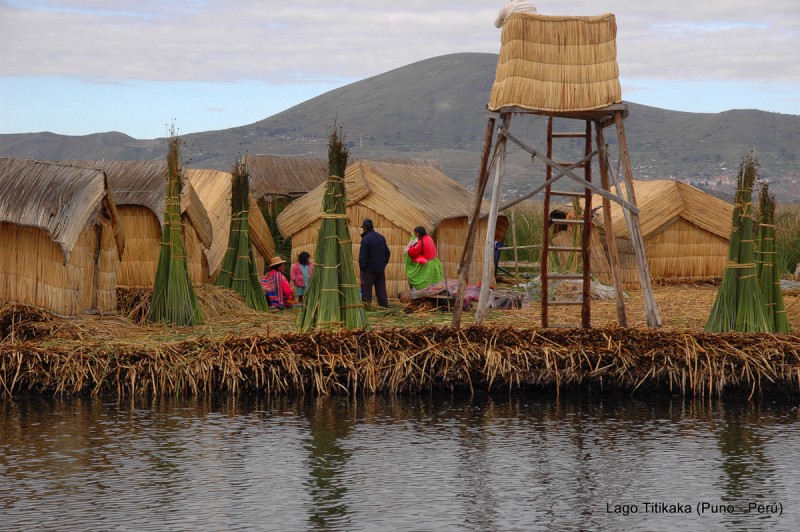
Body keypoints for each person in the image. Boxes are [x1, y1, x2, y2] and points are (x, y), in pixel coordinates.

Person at [358, 218, 391, 308]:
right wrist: (383, 264)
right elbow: (387, 253)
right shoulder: (381, 237)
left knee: (366, 290)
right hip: (380, 269)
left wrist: (362, 269)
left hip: (368, 270)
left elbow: (363, 257)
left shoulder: (365, 239)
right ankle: (384, 307)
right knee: (381, 290)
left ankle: (367, 308)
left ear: (364, 228)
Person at [404, 226, 444, 290]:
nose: (414, 234)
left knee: (416, 278)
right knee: (432, 281)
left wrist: (410, 248)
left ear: (418, 233)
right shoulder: (429, 238)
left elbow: (412, 253)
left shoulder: (421, 242)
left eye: (414, 233)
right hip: (434, 263)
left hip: (427, 264)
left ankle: (419, 291)